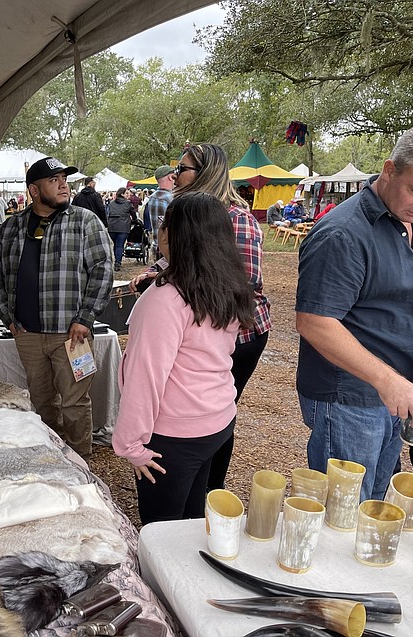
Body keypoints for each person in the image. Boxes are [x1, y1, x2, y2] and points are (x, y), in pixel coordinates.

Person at [296, 124, 413, 499]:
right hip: (351, 398)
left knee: (372, 500)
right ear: (389, 171)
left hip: (402, 391)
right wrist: (387, 380)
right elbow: (314, 322)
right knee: (342, 512)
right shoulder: (341, 233)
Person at [130, 144, 272, 490]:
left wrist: (176, 297)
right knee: (186, 403)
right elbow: (179, 260)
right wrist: (156, 273)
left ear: (207, 172)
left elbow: (244, 287)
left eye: (184, 169)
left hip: (236, 332)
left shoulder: (238, 220)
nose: (175, 175)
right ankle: (186, 476)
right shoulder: (185, 211)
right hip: (196, 325)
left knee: (217, 408)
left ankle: (208, 484)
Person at [113, 192, 254, 524]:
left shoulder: (165, 299)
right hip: (216, 420)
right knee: (189, 522)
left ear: (176, 235)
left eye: (165, 223)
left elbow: (145, 379)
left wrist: (130, 444)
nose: (160, 229)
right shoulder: (226, 284)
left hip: (176, 434)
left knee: (162, 534)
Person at [0, 156, 114, 461]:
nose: (63, 185)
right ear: (34, 190)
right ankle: (53, 460)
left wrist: (86, 318)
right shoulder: (12, 226)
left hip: (72, 335)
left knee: (74, 403)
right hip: (28, 334)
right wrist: (8, 317)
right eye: (54, 180)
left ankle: (81, 464)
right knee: (42, 402)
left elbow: (103, 269)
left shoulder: (84, 221)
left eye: (65, 179)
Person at [145, 165, 175, 253]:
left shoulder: (152, 198)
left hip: (157, 246)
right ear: (170, 177)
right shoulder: (171, 198)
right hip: (169, 249)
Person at [106, 187, 136, 271]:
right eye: (126, 193)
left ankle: (117, 259)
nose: (128, 195)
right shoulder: (128, 203)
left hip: (112, 226)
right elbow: (133, 213)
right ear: (122, 194)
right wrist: (135, 220)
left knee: (116, 244)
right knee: (119, 244)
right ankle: (117, 262)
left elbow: (108, 213)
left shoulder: (111, 203)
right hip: (123, 226)